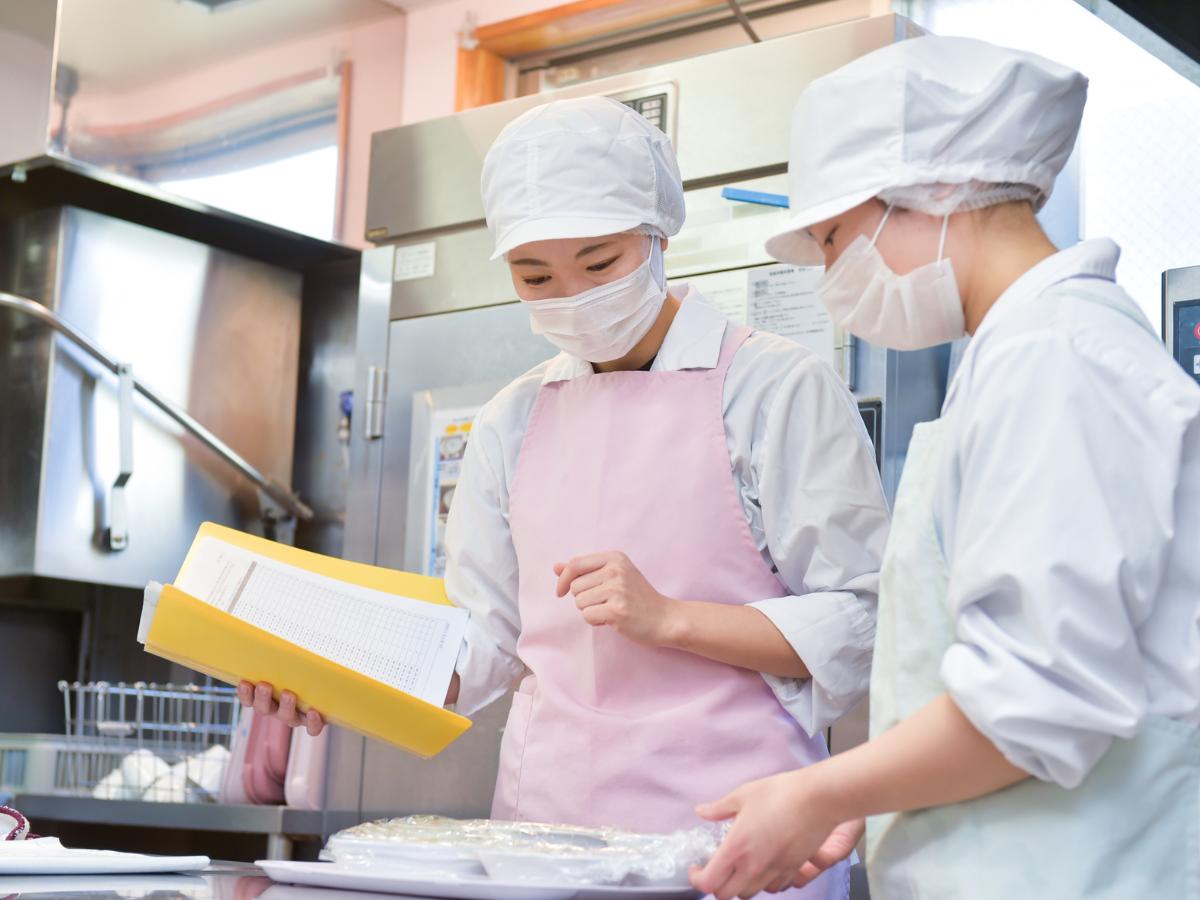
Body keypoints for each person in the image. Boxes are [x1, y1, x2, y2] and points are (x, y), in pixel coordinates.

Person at [240, 96, 889, 898]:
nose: (573, 293)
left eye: (600, 261)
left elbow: (861, 620)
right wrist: (327, 678)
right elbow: (483, 645)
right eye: (536, 275)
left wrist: (672, 618)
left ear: (658, 237)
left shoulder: (774, 388)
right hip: (541, 846)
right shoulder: (513, 419)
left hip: (736, 841)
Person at [690, 35, 1200, 900]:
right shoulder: (1022, 355)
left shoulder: (1057, 361)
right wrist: (883, 797)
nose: (831, 284)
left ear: (936, 192)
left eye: (833, 238)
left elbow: (1039, 699)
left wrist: (819, 789)